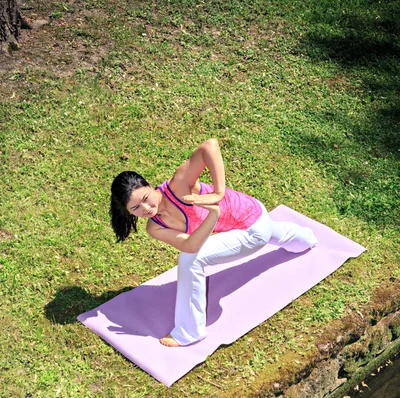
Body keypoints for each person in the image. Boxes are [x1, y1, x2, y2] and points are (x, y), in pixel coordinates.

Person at [110, 139, 317, 347]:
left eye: (145, 198)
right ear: (128, 212)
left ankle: (189, 332)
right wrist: (214, 213)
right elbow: (190, 245)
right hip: (249, 221)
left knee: (191, 262)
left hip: (250, 224)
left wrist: (219, 192)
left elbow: (210, 146)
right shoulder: (154, 227)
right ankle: (306, 239)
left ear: (148, 185)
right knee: (270, 234)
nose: (145, 208)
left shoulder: (178, 185)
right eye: (136, 208)